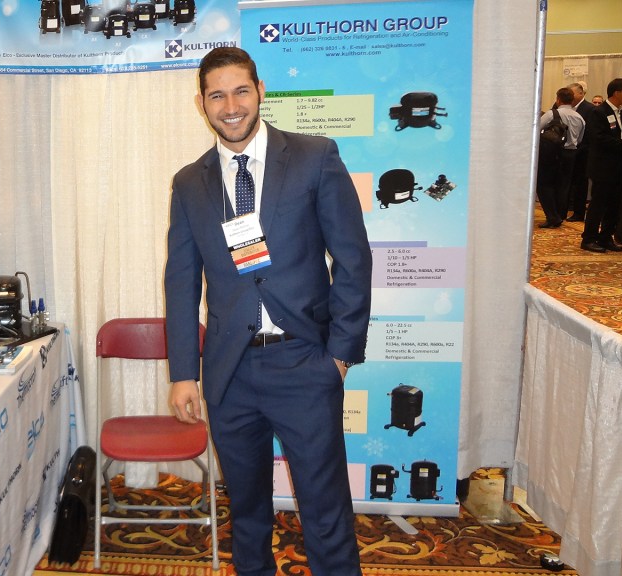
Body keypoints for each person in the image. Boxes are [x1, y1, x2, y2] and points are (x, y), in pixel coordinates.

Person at [164, 47, 371, 576]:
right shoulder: (189, 183)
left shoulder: (313, 156)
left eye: (240, 91)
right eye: (217, 96)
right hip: (229, 373)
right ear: (201, 103)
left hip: (304, 363)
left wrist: (340, 356)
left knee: (325, 511)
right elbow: (181, 282)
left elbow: (352, 258)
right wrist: (185, 373)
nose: (230, 106)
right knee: (248, 512)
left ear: (260, 91)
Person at [580, 78, 622, 253]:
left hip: (618, 167)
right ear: (616, 92)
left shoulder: (620, 113)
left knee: (614, 205)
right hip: (603, 167)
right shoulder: (599, 112)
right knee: (598, 204)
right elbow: (599, 139)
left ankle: (606, 237)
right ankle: (589, 239)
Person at [536, 87, 585, 228]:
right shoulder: (579, 117)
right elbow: (580, 139)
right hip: (571, 154)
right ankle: (559, 214)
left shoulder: (552, 114)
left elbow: (536, 129)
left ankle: (552, 216)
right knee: (563, 185)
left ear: (558, 99)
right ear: (572, 100)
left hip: (551, 152)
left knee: (544, 184)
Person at [566, 82, 594, 221]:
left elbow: (590, 134)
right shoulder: (566, 107)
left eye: (572, 93)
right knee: (567, 182)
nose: (570, 96)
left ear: (581, 93)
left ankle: (578, 212)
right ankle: (563, 209)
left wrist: (578, 149)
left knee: (580, 184)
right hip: (567, 152)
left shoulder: (590, 109)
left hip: (583, 153)